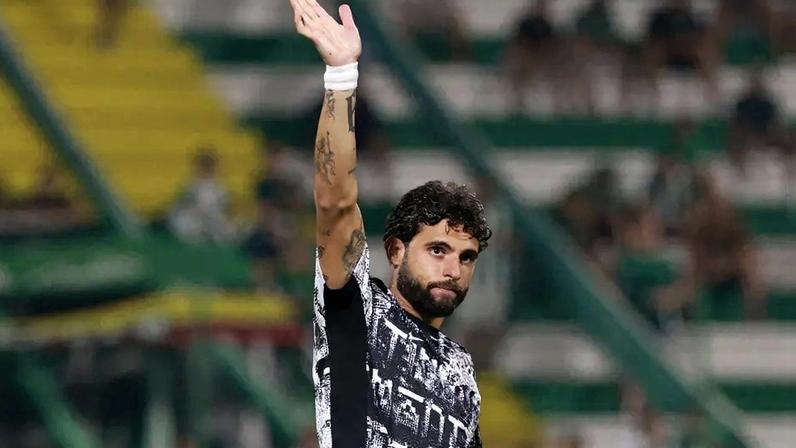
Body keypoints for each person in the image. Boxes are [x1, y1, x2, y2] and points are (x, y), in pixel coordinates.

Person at [290, 1, 491, 446]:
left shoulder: (462, 371)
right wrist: (342, 76)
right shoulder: (358, 314)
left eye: (466, 257)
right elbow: (337, 203)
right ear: (396, 251)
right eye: (437, 249)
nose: (453, 269)